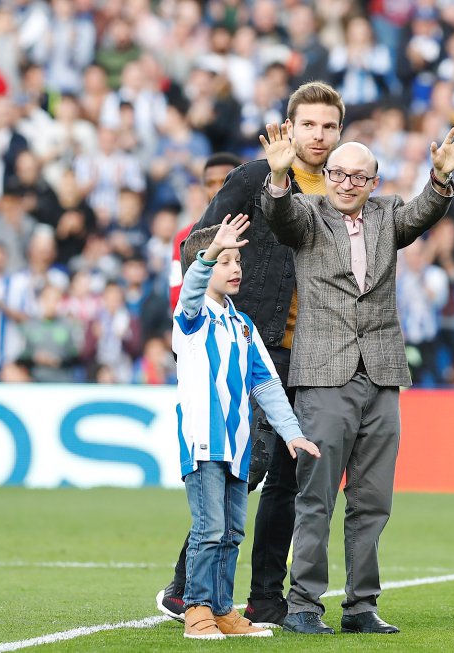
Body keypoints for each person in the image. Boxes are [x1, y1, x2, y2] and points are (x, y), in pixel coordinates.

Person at [259, 121, 454, 634]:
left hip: (381, 372)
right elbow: (281, 217)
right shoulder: (307, 214)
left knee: (373, 499)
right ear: (327, 174)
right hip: (324, 373)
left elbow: (424, 212)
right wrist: (278, 176)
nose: (346, 183)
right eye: (337, 173)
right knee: (315, 497)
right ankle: (304, 606)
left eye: (358, 176)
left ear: (375, 183)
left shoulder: (388, 215)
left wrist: (440, 177)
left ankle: (360, 607)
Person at [155, 82, 345, 628]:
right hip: (251, 342)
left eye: (328, 126)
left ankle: (265, 597)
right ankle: (186, 591)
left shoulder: (341, 187)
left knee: (289, 476)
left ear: (339, 132)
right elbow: (198, 243)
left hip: (313, 351)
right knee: (247, 467)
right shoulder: (253, 176)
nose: (319, 135)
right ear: (290, 126)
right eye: (309, 124)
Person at [173, 214, 320, 640]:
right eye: (226, 261)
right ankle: (196, 609)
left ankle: (222, 610)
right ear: (203, 265)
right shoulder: (192, 315)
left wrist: (291, 432)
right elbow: (193, 286)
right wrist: (210, 252)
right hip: (205, 440)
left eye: (238, 260)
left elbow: (267, 383)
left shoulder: (241, 324)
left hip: (237, 444)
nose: (236, 268)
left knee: (233, 531)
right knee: (209, 528)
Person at [168, 153, 243, 310]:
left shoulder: (261, 228)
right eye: (210, 183)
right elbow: (177, 293)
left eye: (224, 181)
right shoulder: (185, 237)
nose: (217, 189)